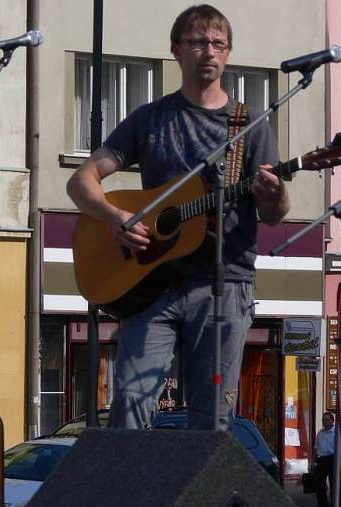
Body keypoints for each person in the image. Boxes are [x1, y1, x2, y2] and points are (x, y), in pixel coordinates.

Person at [67, 4, 289, 431]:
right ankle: (132, 497)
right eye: (198, 42)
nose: (209, 51)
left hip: (224, 284)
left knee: (212, 418)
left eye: (218, 44)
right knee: (130, 403)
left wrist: (276, 195)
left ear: (228, 54)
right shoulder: (151, 119)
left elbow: (274, 215)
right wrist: (115, 217)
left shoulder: (249, 126)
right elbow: (81, 181)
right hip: (153, 283)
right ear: (176, 50)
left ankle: (202, 501)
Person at [313, 412, 341, 507]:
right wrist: (313, 461)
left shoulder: (337, 432)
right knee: (318, 483)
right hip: (321, 459)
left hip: (333, 459)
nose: (325, 422)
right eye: (323, 420)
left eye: (327, 420)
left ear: (332, 421)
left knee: (334, 484)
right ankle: (322, 505)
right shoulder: (320, 433)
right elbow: (316, 447)